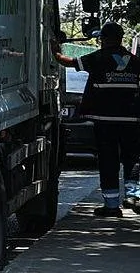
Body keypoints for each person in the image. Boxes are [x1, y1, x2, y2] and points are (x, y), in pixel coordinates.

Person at [53, 22, 140, 217]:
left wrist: (55, 50)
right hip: (132, 120)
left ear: (105, 39)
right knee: (133, 158)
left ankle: (111, 206)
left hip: (105, 120)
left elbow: (68, 62)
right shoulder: (134, 61)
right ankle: (134, 196)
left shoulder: (98, 58)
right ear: (120, 38)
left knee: (108, 161)